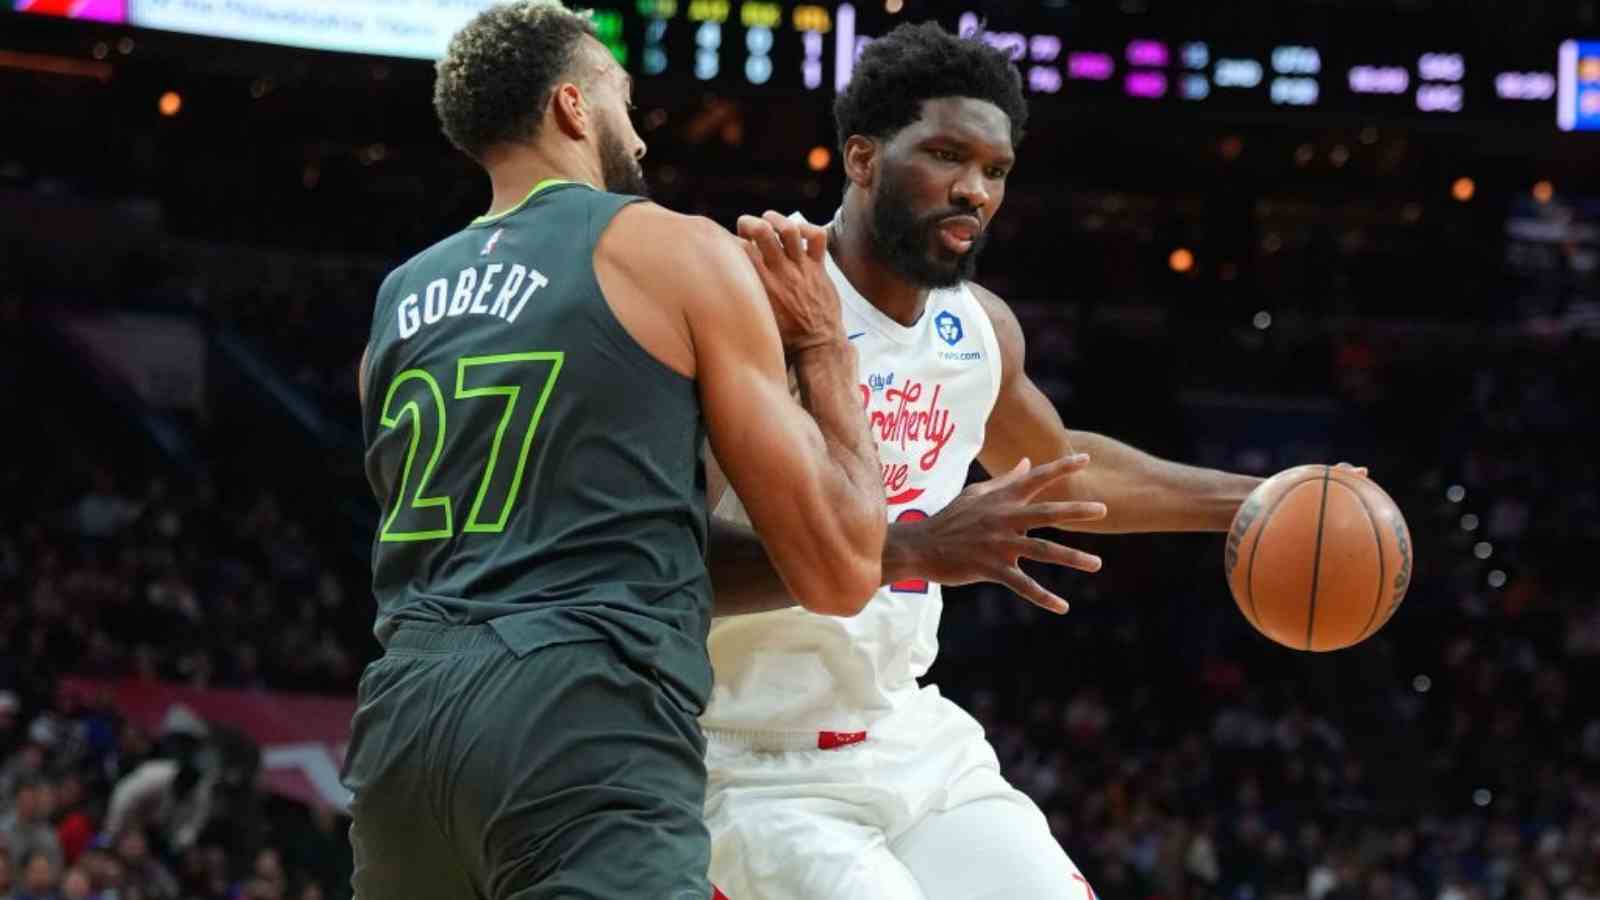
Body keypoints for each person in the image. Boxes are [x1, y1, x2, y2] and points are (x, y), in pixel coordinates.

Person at [701, 21, 1355, 899]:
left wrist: (1262, 498)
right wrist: (905, 545)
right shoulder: (752, 303)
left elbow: (1065, 470)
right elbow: (667, 563)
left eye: (995, 170)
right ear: (861, 159)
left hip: (902, 734)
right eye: (944, 155)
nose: (973, 189)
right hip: (749, 757)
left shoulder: (977, 331)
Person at [340, 1, 887, 898]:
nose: (637, 132)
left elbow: (602, 512)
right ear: (572, 107)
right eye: (622, 99)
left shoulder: (397, 304)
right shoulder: (668, 248)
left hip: (403, 726)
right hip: (583, 723)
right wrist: (823, 344)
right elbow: (841, 566)